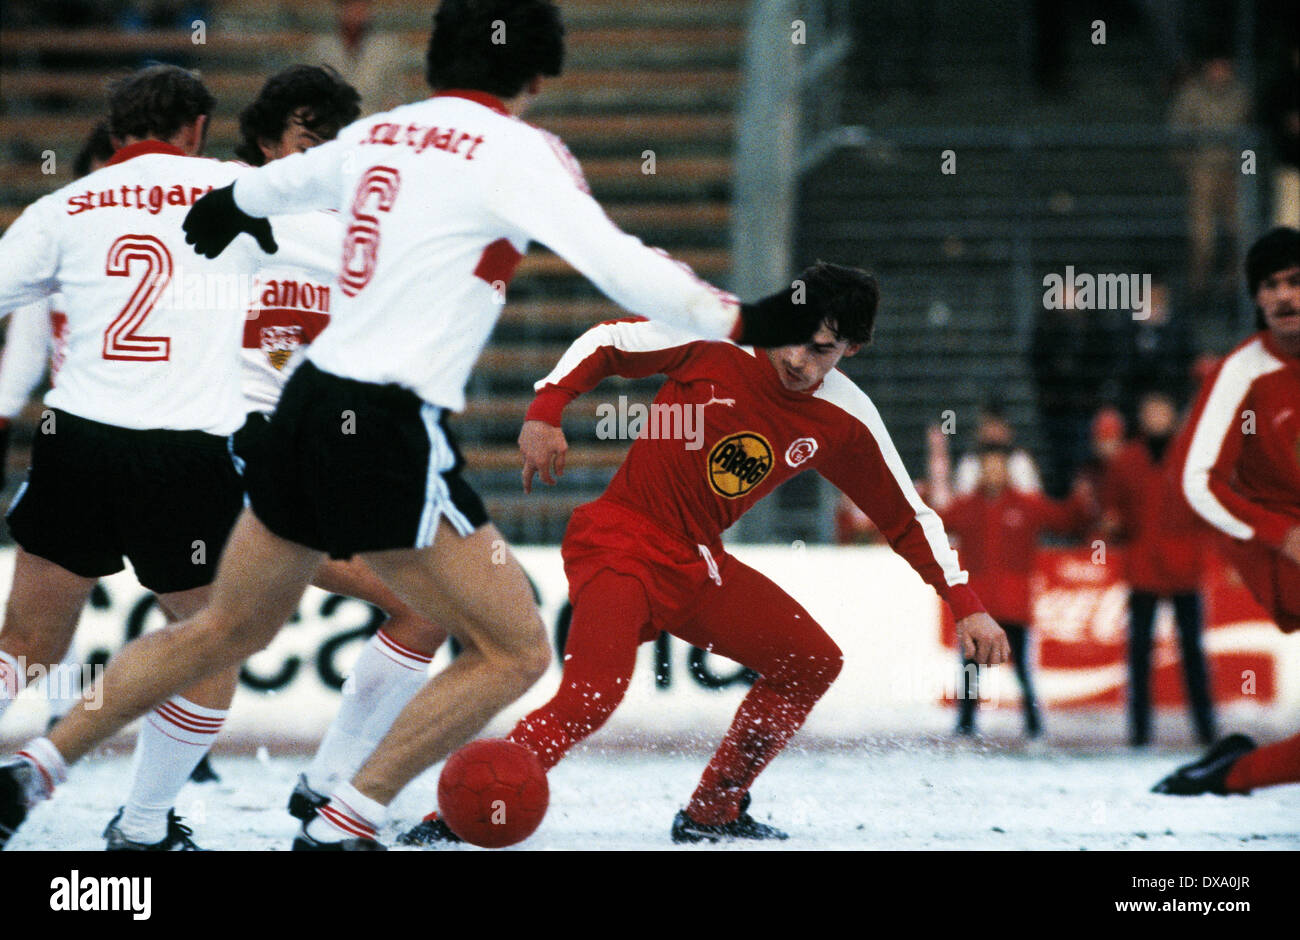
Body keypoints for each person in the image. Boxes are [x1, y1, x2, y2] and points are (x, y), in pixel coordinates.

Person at [0, 0, 820, 852]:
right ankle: (344, 817)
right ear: (537, 79)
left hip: (299, 416)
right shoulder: (519, 151)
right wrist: (743, 319)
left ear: (432, 65)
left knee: (219, 630)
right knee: (516, 649)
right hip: (387, 423)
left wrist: (228, 207)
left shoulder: (380, 136)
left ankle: (38, 770)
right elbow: (620, 265)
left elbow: (263, 190)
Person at [400, 262, 1010, 846]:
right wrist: (546, 408)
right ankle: (459, 815)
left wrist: (966, 603)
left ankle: (713, 810)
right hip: (622, 539)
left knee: (810, 661)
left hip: (695, 562)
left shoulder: (846, 418)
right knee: (591, 697)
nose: (798, 359)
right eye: (796, 338)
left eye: (821, 350)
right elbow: (610, 341)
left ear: (851, 350)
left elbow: (908, 518)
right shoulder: (719, 333)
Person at [1153, 226, 1300, 795]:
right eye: (1272, 286)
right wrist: (1278, 532)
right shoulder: (1242, 371)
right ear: (1257, 299)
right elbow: (1192, 481)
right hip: (1278, 554)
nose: (1286, 296)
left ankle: (1228, 771)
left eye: (1296, 282)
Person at [932, 440, 1092, 739]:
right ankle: (966, 723)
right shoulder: (968, 507)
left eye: (998, 466)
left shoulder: (1025, 505)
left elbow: (1065, 520)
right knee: (970, 670)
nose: (994, 472)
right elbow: (934, 524)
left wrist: (1082, 495)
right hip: (979, 605)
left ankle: (1033, 723)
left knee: (1022, 671)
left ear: (1007, 470)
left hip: (1013, 604)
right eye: (988, 466)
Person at [1100, 390, 1215, 748]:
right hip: (1143, 568)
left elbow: (1208, 509)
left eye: (1161, 410)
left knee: (1192, 652)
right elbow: (1112, 510)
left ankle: (1206, 729)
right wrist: (1112, 524)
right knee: (1138, 654)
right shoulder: (1126, 460)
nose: (1155, 417)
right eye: (1149, 410)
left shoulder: (1191, 459)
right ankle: (1139, 732)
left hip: (1183, 568)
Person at [1168, 56, 1251, 296]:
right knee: (1203, 240)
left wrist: (1246, 171)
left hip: (1232, 173)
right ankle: (1199, 291)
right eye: (1215, 66)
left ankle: (1231, 290)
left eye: (1224, 66)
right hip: (1201, 172)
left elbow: (1250, 136)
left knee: (1240, 233)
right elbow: (1177, 133)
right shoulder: (1190, 95)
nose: (1219, 72)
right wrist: (1188, 167)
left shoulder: (1240, 96)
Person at [307, 0, 418, 114]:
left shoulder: (386, 48)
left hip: (372, 122)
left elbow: (395, 95)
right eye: (350, 6)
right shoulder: (321, 48)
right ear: (339, 9)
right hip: (333, 122)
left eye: (361, 6)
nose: (356, 12)